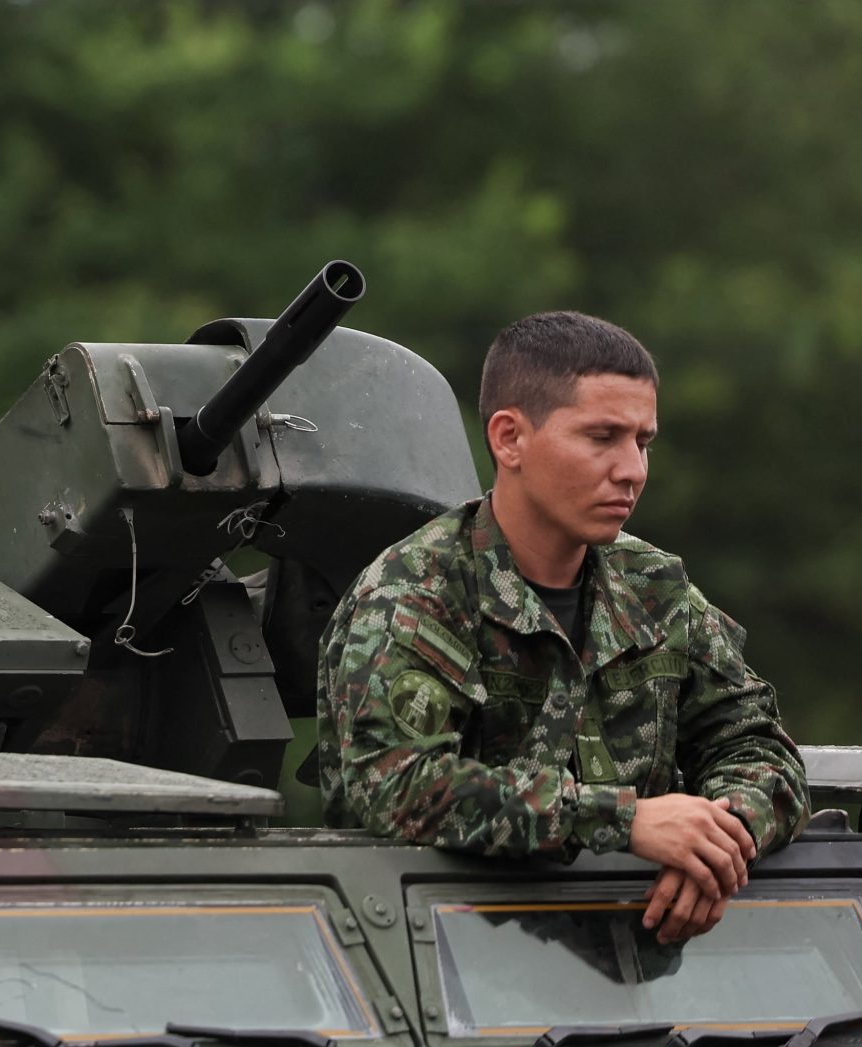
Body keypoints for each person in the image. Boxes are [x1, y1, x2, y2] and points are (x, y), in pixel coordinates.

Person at [316, 311, 808, 943]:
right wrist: (623, 821)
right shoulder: (415, 594)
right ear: (509, 439)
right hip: (435, 954)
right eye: (602, 437)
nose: (631, 470)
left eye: (643, 442)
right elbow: (398, 786)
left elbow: (757, 745)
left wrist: (719, 841)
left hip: (633, 960)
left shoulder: (655, 588)